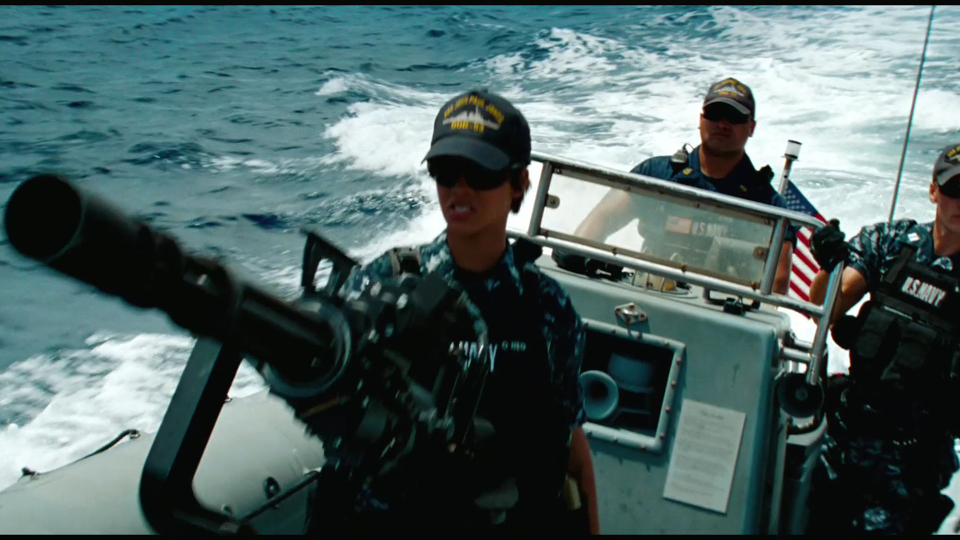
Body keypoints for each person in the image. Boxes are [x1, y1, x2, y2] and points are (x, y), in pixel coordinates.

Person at [324, 89, 599, 534]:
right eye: (446, 172)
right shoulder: (383, 285)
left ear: (519, 183)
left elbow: (569, 441)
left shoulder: (548, 309)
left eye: (481, 173)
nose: (459, 188)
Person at [805, 142, 960, 534]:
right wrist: (830, 265)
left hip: (910, 462)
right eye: (954, 189)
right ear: (933, 191)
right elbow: (825, 308)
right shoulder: (893, 242)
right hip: (843, 435)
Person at [556, 77, 797, 294]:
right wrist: (576, 256)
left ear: (751, 127)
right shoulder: (656, 177)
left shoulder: (768, 205)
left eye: (734, 118)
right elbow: (597, 223)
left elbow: (776, 287)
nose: (723, 124)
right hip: (648, 296)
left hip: (725, 313)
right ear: (701, 119)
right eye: (715, 114)